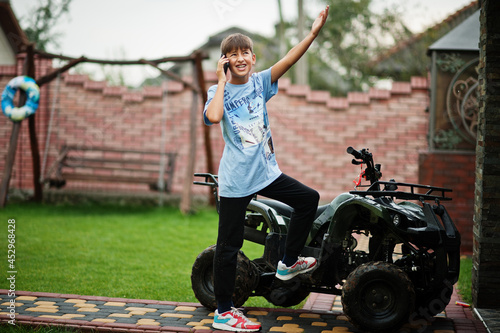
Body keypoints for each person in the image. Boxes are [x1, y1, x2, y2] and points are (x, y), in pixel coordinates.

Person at [203, 6, 329, 332]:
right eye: (232, 54)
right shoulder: (217, 92)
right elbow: (214, 117)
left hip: (265, 174)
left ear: (253, 57)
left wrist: (312, 34)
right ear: (225, 61)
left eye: (245, 52)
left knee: (307, 199)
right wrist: (219, 79)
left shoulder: (260, 83)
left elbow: (289, 59)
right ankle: (223, 312)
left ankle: (287, 263)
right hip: (235, 182)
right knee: (229, 248)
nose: (240, 57)